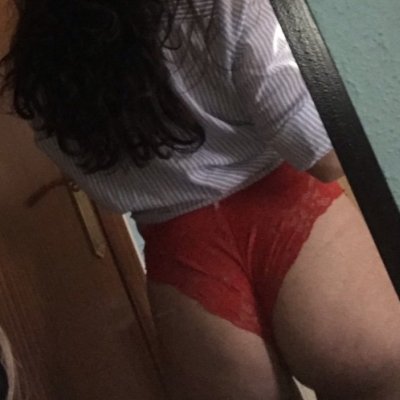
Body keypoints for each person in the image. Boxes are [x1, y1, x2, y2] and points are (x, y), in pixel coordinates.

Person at [1, 0, 400, 398]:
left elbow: (104, 193)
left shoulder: (39, 70)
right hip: (294, 220)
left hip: (183, 262)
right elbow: (324, 155)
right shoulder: (221, 6)